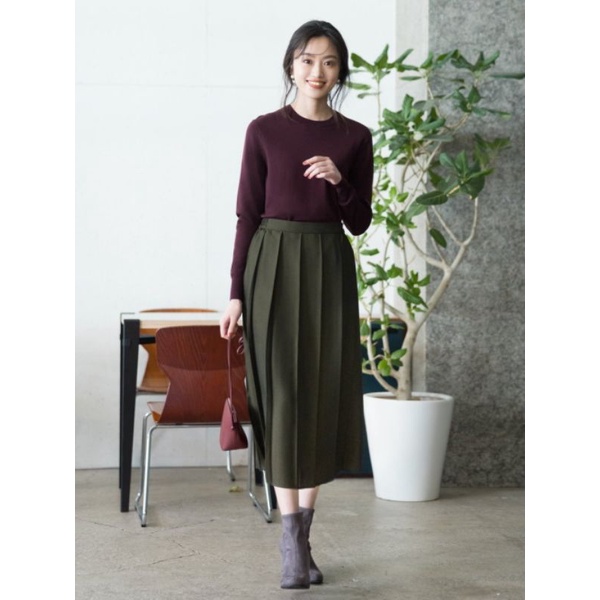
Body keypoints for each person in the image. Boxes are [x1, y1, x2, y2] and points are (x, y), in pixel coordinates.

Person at [219, 20, 373, 590]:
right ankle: (290, 540)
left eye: (329, 62)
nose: (317, 71)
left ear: (340, 72)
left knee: (320, 390)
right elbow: (246, 214)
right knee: (281, 394)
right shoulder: (263, 131)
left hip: (329, 263)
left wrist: (339, 181)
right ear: (291, 65)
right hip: (272, 264)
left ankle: (301, 538)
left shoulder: (355, 137)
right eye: (308, 60)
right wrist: (235, 292)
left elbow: (360, 221)